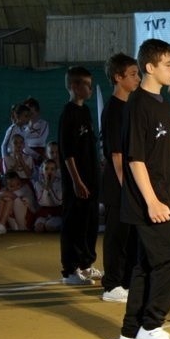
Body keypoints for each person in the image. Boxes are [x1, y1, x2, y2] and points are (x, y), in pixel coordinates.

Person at [118, 38, 170, 339]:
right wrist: (153, 200)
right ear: (150, 67)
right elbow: (136, 159)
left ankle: (129, 331)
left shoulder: (162, 103)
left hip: (164, 197)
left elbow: (166, 159)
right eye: (168, 64)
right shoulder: (137, 105)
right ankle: (152, 323)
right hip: (149, 202)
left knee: (145, 265)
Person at [100, 52, 141, 302]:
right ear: (118, 77)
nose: (137, 78)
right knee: (116, 235)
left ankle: (127, 281)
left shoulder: (130, 107)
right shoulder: (114, 110)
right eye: (133, 74)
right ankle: (111, 284)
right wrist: (126, 187)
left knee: (131, 235)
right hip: (119, 184)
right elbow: (116, 154)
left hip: (132, 183)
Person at [57, 66, 102, 284]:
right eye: (87, 85)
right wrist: (77, 181)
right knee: (73, 222)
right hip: (77, 181)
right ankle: (70, 269)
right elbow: (68, 152)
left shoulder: (85, 111)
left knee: (89, 221)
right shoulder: (68, 114)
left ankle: (86, 263)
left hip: (91, 177)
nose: (91, 90)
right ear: (75, 87)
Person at [32, 158, 63, 233]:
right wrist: (46, 187)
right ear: (42, 171)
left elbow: (58, 202)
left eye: (52, 169)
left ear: (56, 171)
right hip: (44, 212)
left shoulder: (60, 183)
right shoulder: (38, 184)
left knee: (49, 226)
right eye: (46, 169)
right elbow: (42, 202)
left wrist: (50, 188)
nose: (49, 171)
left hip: (57, 212)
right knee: (39, 228)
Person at [22, 97, 50, 166]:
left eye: (31, 113)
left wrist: (26, 142)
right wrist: (29, 127)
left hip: (39, 156)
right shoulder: (23, 126)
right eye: (26, 113)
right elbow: (21, 144)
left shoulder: (43, 124)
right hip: (25, 157)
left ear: (37, 112)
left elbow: (41, 140)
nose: (29, 115)